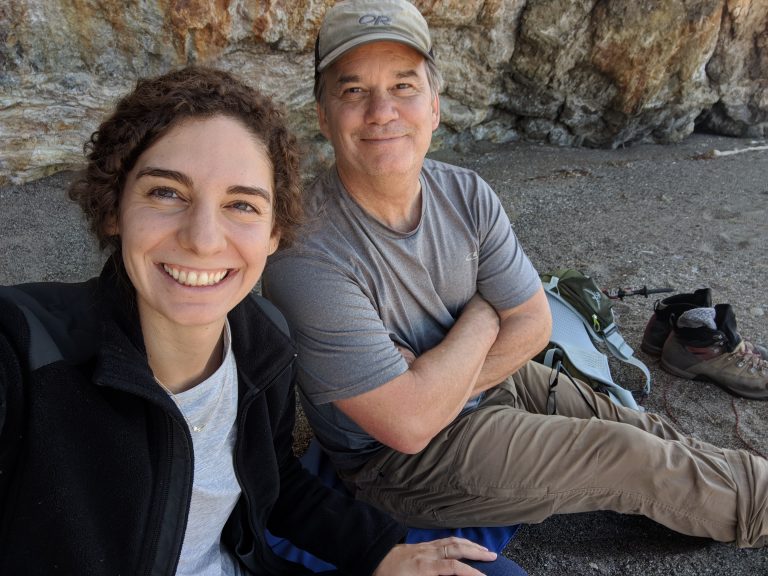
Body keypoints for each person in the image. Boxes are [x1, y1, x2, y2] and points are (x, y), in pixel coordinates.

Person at [262, 0, 768, 551]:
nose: (382, 110)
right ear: (321, 113)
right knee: (630, 458)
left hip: (489, 384)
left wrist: (432, 380)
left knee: (632, 421)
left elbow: (532, 322)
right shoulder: (306, 253)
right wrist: (485, 311)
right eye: (353, 90)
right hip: (403, 462)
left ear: (434, 106)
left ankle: (741, 488)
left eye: (404, 86)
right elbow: (407, 425)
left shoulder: (465, 193)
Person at [0, 66, 516, 575]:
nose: (203, 238)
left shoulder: (261, 342)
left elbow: (274, 482)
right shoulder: (25, 353)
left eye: (241, 204)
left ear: (274, 234)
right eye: (166, 193)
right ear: (114, 207)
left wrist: (382, 552)